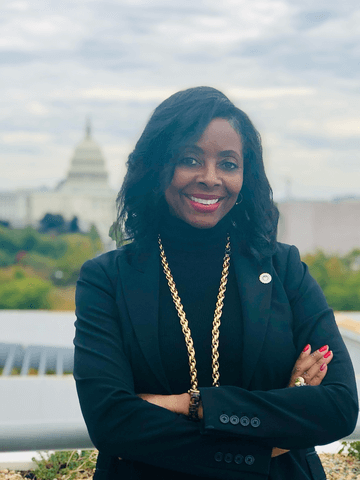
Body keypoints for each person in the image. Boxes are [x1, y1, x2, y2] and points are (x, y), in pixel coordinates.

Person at [73, 86, 358, 480]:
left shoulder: (284, 268)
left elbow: (339, 407)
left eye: (228, 164)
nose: (210, 178)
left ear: (246, 175)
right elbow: (111, 420)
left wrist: (188, 404)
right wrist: (268, 440)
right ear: (157, 167)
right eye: (190, 159)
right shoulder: (106, 279)